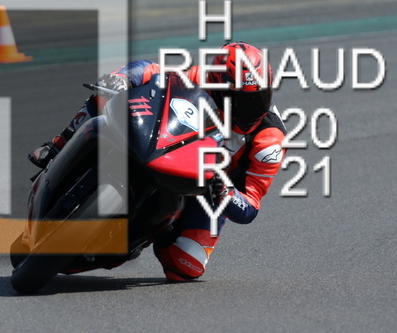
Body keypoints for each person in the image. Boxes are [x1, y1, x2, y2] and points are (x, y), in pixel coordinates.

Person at [28, 42, 287, 281]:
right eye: (237, 100)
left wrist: (226, 192)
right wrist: (121, 78)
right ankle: (58, 145)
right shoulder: (201, 78)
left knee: (185, 265)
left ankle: (155, 229)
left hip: (209, 188)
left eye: (258, 98)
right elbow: (151, 72)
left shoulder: (270, 141)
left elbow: (250, 207)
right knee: (105, 94)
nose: (249, 109)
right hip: (167, 146)